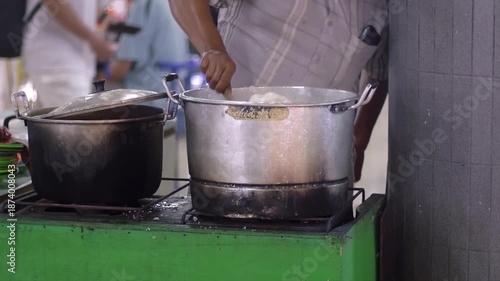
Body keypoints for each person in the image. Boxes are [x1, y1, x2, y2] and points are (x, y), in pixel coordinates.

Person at [169, 0, 389, 182]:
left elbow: (380, 70)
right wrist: (212, 47)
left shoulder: (382, 7)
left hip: (323, 179)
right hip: (234, 165)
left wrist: (360, 142)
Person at [22, 0, 116, 108]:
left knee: (63, 121)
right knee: (75, 121)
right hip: (58, 62)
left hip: (74, 62)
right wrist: (93, 39)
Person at [102, 0, 190, 94]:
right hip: (176, 90)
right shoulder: (172, 3)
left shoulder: (144, 5)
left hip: (150, 95)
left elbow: (119, 70)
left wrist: (98, 76)